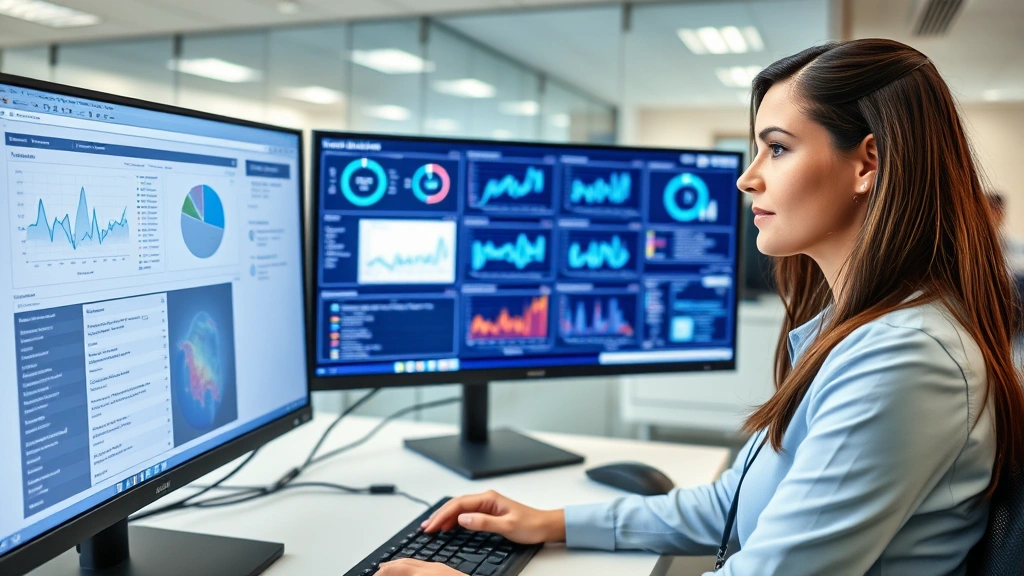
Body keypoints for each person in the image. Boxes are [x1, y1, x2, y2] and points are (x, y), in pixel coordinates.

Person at [379, 39, 1024, 575]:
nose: (747, 177)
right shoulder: (861, 329)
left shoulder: (905, 358)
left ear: (868, 163)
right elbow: (735, 501)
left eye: (776, 147)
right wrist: (553, 522)